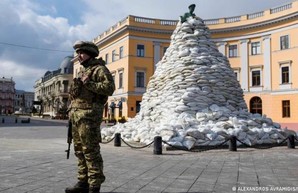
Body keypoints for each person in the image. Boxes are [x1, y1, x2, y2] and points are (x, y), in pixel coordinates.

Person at [66, 41, 115, 193]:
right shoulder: (82, 71)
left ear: (90, 53)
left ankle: (94, 185)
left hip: (89, 117)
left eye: (81, 53)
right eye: (77, 53)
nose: (78, 56)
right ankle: (83, 182)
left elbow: (109, 88)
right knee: (79, 151)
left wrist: (89, 83)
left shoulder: (99, 69)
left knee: (90, 151)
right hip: (76, 117)